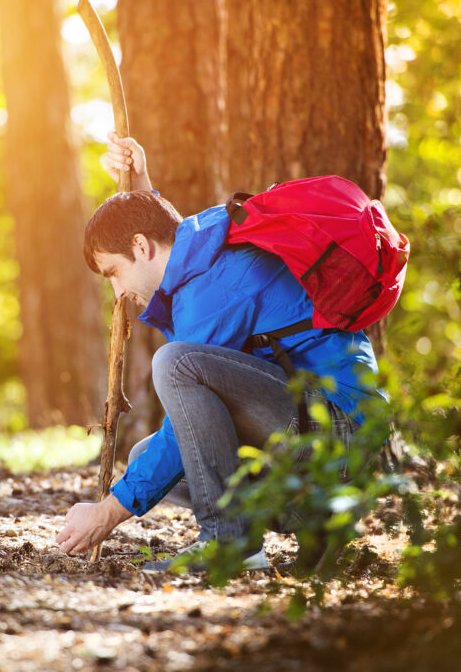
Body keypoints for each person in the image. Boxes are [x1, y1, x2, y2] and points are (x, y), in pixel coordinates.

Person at [54, 134, 382, 572]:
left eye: (114, 273)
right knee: (144, 456)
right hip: (318, 432)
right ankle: (314, 522)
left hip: (342, 440)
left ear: (139, 247)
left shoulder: (214, 289)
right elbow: (164, 235)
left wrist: (108, 512)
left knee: (175, 364)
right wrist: (142, 189)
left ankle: (230, 543)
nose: (118, 292)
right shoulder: (205, 246)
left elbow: (189, 371)